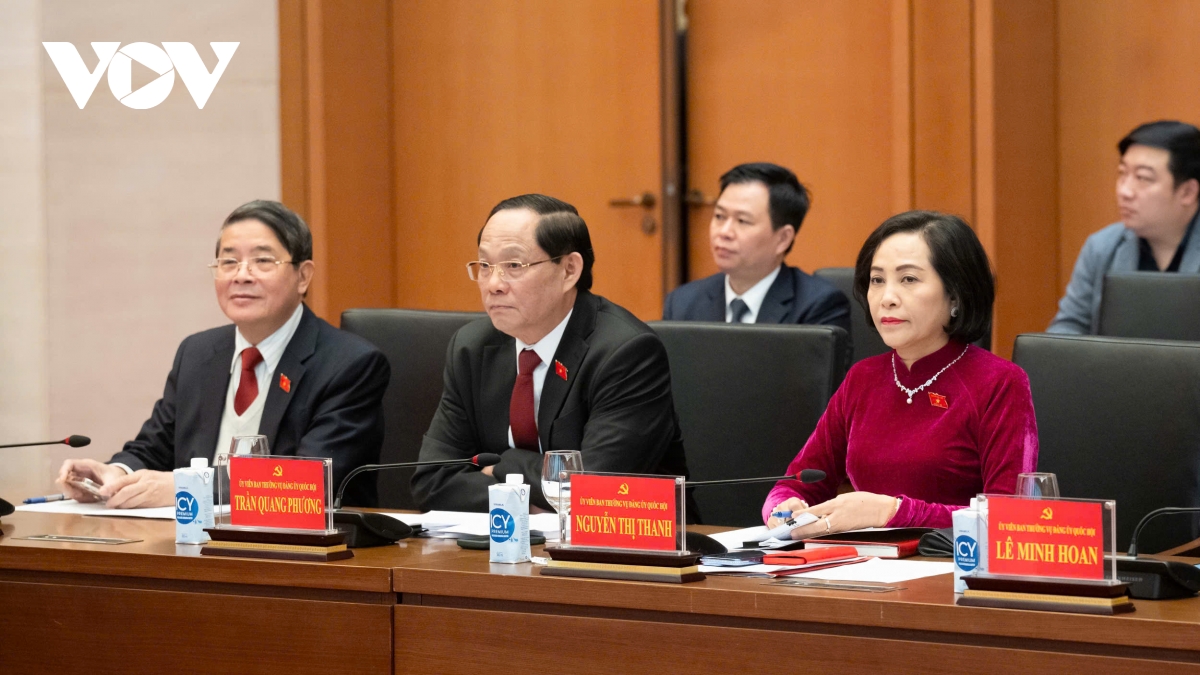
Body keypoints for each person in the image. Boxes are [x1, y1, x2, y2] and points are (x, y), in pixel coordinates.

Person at [56, 200, 390, 508]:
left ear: (303, 276)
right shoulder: (199, 354)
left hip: (304, 548)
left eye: (262, 261)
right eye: (229, 262)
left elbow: (309, 481)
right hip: (193, 541)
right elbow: (155, 448)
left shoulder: (350, 364)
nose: (241, 275)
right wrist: (115, 473)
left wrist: (188, 486)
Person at [763, 211, 1038, 534]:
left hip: (952, 561)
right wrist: (784, 507)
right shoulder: (863, 378)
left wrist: (892, 512)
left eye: (908, 279)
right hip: (863, 560)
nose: (887, 298)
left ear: (955, 295)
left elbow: (1008, 518)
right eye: (877, 280)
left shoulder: (1000, 383)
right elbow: (796, 483)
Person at [413, 194, 688, 512]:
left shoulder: (625, 353)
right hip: (503, 539)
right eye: (485, 266)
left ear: (569, 270)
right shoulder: (471, 348)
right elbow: (432, 482)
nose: (493, 284)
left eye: (513, 265)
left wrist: (505, 464)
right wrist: (529, 502)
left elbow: (597, 493)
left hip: (633, 540)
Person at [1049, 120, 1200, 334]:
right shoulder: (1102, 247)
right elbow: (1069, 326)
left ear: (1188, 192)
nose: (1125, 191)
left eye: (1142, 178)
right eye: (1122, 173)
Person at [662, 162, 850, 331]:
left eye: (742, 221)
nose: (724, 232)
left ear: (783, 239)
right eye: (719, 216)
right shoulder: (682, 303)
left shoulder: (818, 307)